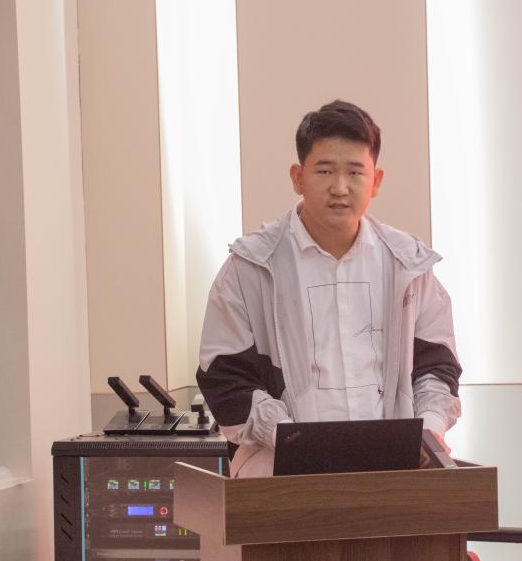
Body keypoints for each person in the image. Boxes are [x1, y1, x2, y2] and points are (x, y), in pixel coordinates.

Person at [197, 100, 461, 477]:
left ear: (376, 181)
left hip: (394, 474)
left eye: (355, 172)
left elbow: (437, 365)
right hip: (279, 473)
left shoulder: (408, 265)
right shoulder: (252, 267)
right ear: (298, 177)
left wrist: (428, 431)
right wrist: (294, 440)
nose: (340, 187)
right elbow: (223, 377)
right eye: (324, 171)